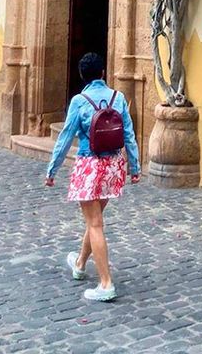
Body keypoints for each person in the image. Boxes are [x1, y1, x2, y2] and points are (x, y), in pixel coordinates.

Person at [44, 51, 141, 302]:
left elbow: (65, 137)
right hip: (113, 166)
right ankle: (79, 264)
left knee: (95, 223)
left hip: (89, 165)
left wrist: (52, 170)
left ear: (82, 76)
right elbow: (129, 135)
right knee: (94, 219)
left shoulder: (79, 100)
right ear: (102, 73)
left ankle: (106, 283)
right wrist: (135, 167)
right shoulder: (118, 97)